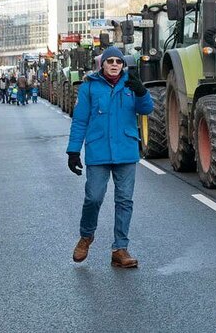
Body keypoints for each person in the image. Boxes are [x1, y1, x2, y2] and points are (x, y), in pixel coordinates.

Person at [66, 47, 153, 268]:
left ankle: (120, 249)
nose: (114, 64)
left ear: (123, 65)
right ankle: (86, 237)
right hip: (98, 151)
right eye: (110, 61)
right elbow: (80, 121)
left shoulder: (131, 85)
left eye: (118, 61)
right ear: (102, 65)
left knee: (124, 200)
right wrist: (73, 151)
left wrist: (142, 92)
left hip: (125, 150)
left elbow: (147, 110)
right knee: (93, 197)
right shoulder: (89, 88)